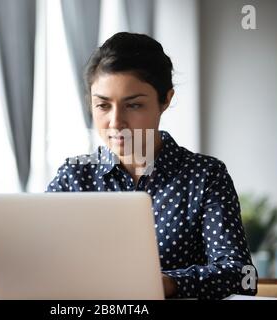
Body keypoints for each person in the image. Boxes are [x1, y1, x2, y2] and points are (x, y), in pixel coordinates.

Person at [46, 32, 257, 299]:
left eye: (133, 105)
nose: (115, 122)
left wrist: (168, 284)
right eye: (102, 105)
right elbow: (41, 258)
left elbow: (242, 276)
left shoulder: (205, 176)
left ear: (165, 99)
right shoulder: (73, 176)